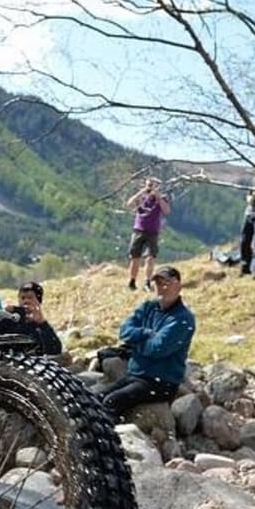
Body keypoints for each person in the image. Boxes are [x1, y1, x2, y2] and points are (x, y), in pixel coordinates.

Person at [103, 266, 196, 415]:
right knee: (94, 397)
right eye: (159, 283)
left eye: (167, 283)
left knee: (112, 401)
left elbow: (157, 349)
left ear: (178, 286)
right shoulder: (148, 307)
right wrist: (145, 333)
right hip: (136, 376)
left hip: (161, 383)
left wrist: (135, 343)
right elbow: (124, 331)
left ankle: (106, 436)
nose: (162, 288)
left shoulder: (183, 319)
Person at [0, 280, 62, 355]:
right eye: (23, 298)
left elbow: (55, 349)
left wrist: (42, 323)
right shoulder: (10, 319)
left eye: (30, 298)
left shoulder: (41, 325)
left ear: (38, 301)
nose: (26, 301)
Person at [124, 178, 170, 290]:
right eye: (149, 185)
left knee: (150, 258)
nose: (151, 187)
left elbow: (167, 211)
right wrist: (142, 192)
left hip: (152, 232)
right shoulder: (141, 197)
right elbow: (129, 204)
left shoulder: (162, 198)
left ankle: (147, 282)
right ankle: (132, 281)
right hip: (138, 230)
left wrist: (158, 196)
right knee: (135, 258)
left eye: (154, 185)